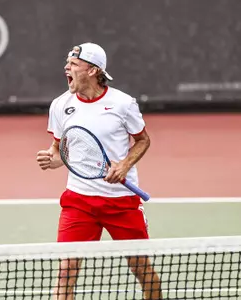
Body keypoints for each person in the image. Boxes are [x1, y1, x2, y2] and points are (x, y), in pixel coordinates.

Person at [36, 43, 162, 299]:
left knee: (141, 269)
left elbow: (143, 140)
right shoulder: (61, 105)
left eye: (73, 63)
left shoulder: (123, 103)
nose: (66, 67)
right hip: (79, 201)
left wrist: (124, 165)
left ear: (93, 70)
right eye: (67, 62)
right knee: (66, 271)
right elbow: (61, 150)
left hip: (121, 203)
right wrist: (52, 159)